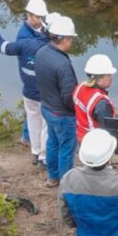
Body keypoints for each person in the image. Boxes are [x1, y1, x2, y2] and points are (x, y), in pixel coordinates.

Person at [0, 0, 50, 167]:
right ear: (29, 15)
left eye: (42, 17)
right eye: (37, 17)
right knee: (43, 124)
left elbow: (4, 47)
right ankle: (41, 156)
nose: (40, 20)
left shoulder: (42, 30)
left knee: (35, 121)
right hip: (37, 90)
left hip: (32, 90)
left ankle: (35, 151)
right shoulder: (25, 39)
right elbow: (4, 47)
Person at [37, 15, 79, 187]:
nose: (72, 42)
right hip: (63, 114)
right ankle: (66, 185)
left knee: (52, 143)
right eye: (71, 39)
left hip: (46, 107)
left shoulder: (41, 52)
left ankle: (52, 177)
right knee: (67, 149)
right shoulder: (63, 64)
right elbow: (69, 97)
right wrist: (78, 109)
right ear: (64, 39)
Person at [74, 54, 118, 143]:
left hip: (79, 134)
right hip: (93, 141)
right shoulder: (101, 103)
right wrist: (115, 145)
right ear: (99, 80)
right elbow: (107, 131)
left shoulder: (80, 86)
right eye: (109, 75)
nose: (112, 78)